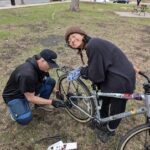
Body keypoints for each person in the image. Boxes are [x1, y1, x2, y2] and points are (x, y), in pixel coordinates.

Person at [65, 26, 136, 142]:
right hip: (117, 74)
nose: (72, 40)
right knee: (102, 98)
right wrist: (86, 69)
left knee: (117, 108)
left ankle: (110, 130)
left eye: (73, 36)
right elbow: (98, 65)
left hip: (120, 80)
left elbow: (96, 75)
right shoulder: (93, 44)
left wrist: (82, 71)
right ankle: (103, 119)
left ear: (82, 35)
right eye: (69, 41)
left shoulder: (92, 45)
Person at [2, 49, 65, 125]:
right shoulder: (27, 74)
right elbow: (30, 98)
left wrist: (57, 92)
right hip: (15, 96)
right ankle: (16, 111)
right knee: (25, 118)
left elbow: (46, 79)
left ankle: (39, 104)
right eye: (50, 65)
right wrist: (52, 102)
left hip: (29, 88)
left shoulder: (41, 68)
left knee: (50, 81)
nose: (50, 68)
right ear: (42, 60)